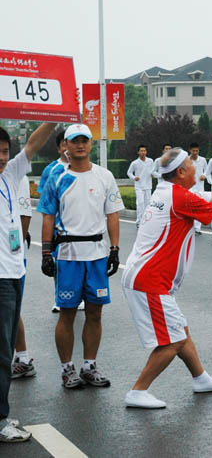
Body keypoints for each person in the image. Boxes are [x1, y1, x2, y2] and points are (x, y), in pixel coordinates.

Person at [121, 147, 212, 409]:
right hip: (149, 281)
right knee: (173, 341)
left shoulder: (170, 191)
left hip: (148, 278)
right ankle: (137, 391)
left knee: (181, 331)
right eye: (191, 165)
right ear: (180, 173)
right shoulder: (179, 197)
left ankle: (200, 379)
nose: (196, 168)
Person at [38, 123, 124, 389]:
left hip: (97, 254)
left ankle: (89, 366)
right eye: (73, 140)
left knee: (95, 314)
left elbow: (113, 215)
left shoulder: (104, 176)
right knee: (67, 314)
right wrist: (45, 251)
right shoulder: (57, 178)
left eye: (84, 140)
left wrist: (114, 249)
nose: (79, 145)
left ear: (90, 143)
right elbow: (48, 217)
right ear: (65, 145)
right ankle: (67, 369)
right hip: (68, 254)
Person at [0, 121, 56, 443]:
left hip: (14, 272)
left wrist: (53, 116)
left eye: (5, 152)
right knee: (2, 352)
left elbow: (34, 143)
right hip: (1, 279)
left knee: (4, 349)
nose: (2, 157)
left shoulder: (10, 175)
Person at [37, 130, 70, 313]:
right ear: (59, 148)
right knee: (57, 263)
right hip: (57, 226)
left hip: (77, 228)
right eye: (64, 143)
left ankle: (75, 296)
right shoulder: (51, 170)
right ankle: (59, 297)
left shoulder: (84, 168)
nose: (68, 147)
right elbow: (45, 202)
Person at [11, 176, 35, 379]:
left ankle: (24, 357)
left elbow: (24, 216)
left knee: (11, 307)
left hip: (10, 258)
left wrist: (14, 250)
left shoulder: (17, 176)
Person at [127, 145, 154, 228]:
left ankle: (146, 221)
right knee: (140, 203)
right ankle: (139, 221)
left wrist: (153, 174)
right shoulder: (135, 163)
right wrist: (134, 177)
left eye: (144, 151)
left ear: (146, 152)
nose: (143, 152)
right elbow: (129, 172)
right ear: (138, 152)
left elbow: (153, 170)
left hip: (148, 186)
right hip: (139, 186)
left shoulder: (150, 161)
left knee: (148, 204)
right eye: (141, 151)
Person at [189, 142, 207, 235]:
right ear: (190, 150)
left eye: (197, 150)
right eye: (193, 151)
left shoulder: (203, 160)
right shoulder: (186, 160)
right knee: (190, 208)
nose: (195, 152)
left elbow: (207, 170)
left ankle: (197, 228)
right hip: (189, 187)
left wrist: (204, 175)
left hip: (200, 187)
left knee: (199, 207)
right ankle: (190, 227)